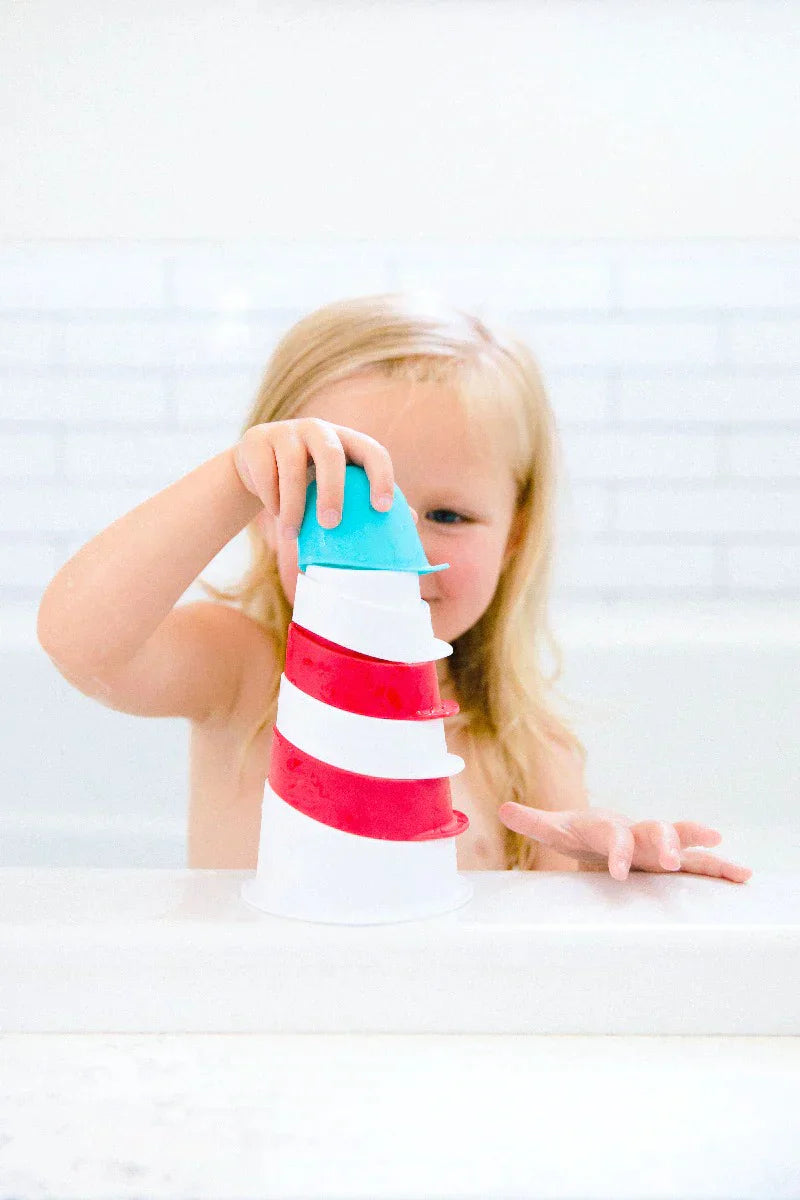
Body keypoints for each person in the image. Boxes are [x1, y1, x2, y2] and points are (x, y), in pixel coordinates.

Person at [37, 291, 752, 883]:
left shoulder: (528, 747)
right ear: (265, 513)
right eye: (342, 506)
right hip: (258, 1032)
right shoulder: (242, 673)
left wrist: (607, 865)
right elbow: (83, 644)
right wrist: (229, 478)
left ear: (514, 534)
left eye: (449, 515)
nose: (398, 558)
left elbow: (542, 945)